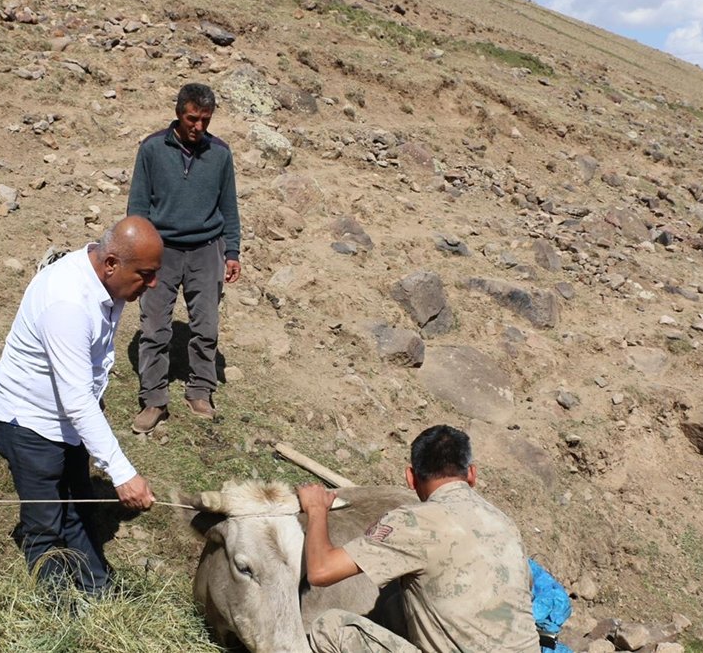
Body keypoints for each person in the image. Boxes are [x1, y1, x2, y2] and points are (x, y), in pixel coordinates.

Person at [0, 217, 160, 596]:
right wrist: (123, 474)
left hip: (64, 419)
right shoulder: (67, 301)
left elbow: (82, 374)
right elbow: (77, 400)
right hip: (28, 422)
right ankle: (58, 608)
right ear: (111, 263)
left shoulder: (108, 282)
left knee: (78, 506)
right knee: (45, 524)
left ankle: (98, 589)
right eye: (145, 274)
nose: (153, 283)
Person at [297, 425, 540, 653]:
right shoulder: (504, 523)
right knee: (396, 604)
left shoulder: (413, 522)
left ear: (411, 478)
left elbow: (321, 571)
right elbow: (526, 587)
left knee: (329, 628)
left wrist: (317, 509)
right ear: (472, 474)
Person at [127, 82, 241, 434]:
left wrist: (232, 251)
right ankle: (154, 399)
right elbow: (138, 204)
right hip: (160, 250)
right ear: (179, 113)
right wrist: (137, 252)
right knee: (154, 327)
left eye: (206, 119)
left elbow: (229, 206)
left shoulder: (220, 154)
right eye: (193, 118)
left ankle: (200, 390)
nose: (199, 126)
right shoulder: (152, 149)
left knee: (206, 326)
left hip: (207, 250)